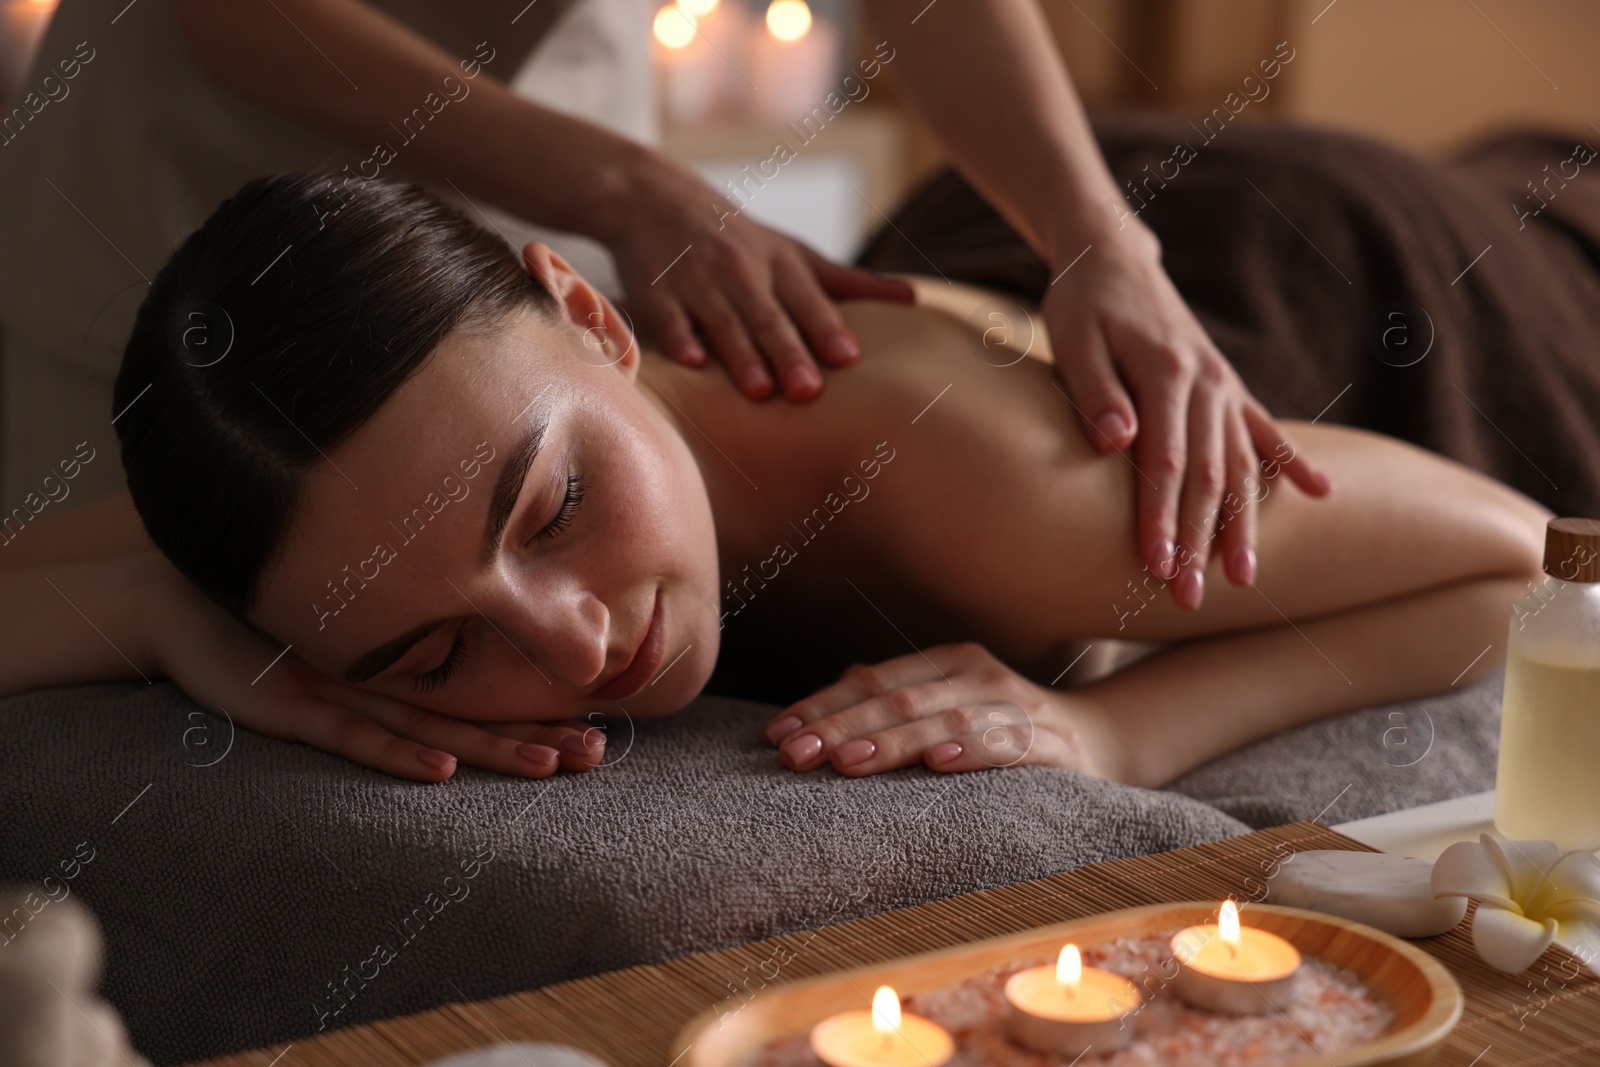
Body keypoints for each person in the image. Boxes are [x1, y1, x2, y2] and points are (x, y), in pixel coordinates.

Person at [0, 172, 1548, 788]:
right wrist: (179, 624)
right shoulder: (339, 509)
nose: (572, 646)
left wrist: (1116, 728)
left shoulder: (1016, 513)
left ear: (595, 317)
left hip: (1332, 263)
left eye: (555, 511)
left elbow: (1536, 565)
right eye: (431, 656)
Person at [0, 0, 1330, 618]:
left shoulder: (989, 474)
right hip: (174, 196)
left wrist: (1100, 239)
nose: (579, 649)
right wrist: (157, 625)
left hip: (538, 191)